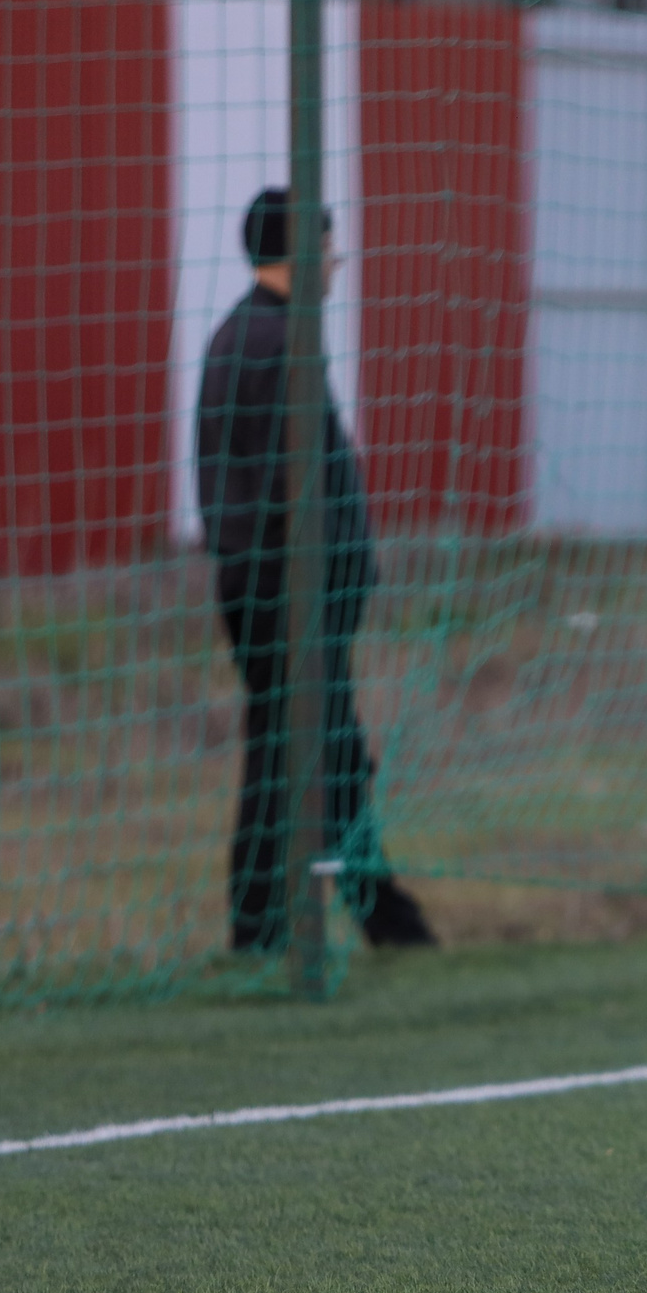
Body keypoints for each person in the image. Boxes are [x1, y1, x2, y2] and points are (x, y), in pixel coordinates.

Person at [197, 187, 437, 949]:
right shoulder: (273, 342)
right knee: (307, 754)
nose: (338, 262)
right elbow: (286, 488)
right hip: (287, 598)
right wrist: (325, 576)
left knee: (317, 752)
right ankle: (312, 927)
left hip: (286, 594)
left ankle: (347, 923)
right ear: (300, 253)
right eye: (329, 247)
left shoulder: (256, 334)